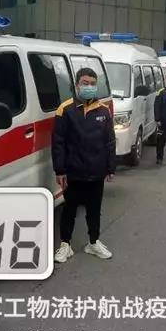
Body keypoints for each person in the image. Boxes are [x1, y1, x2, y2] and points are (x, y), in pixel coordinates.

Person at [52, 67, 116, 263]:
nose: (89, 87)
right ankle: (65, 245)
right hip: (73, 171)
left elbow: (109, 141)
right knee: (69, 209)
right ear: (77, 85)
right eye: (85, 83)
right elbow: (58, 142)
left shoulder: (103, 110)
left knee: (94, 210)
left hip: (96, 171)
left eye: (93, 84)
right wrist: (60, 170)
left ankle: (93, 242)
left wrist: (110, 167)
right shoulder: (65, 110)